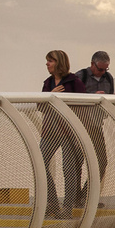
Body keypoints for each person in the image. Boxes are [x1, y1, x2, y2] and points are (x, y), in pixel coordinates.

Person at [39, 51, 85, 218]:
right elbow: (41, 107)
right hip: (50, 131)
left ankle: (67, 209)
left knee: (69, 170)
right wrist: (52, 95)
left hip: (69, 132)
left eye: (50, 61)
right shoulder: (48, 83)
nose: (47, 64)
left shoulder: (75, 82)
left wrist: (59, 98)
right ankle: (52, 203)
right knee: (40, 164)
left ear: (58, 63)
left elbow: (83, 108)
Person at [74, 52, 113, 207]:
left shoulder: (108, 78)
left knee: (101, 161)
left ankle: (86, 196)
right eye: (100, 69)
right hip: (81, 125)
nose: (103, 73)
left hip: (97, 125)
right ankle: (76, 199)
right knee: (77, 162)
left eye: (106, 69)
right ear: (92, 64)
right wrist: (91, 95)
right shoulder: (81, 76)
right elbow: (73, 96)